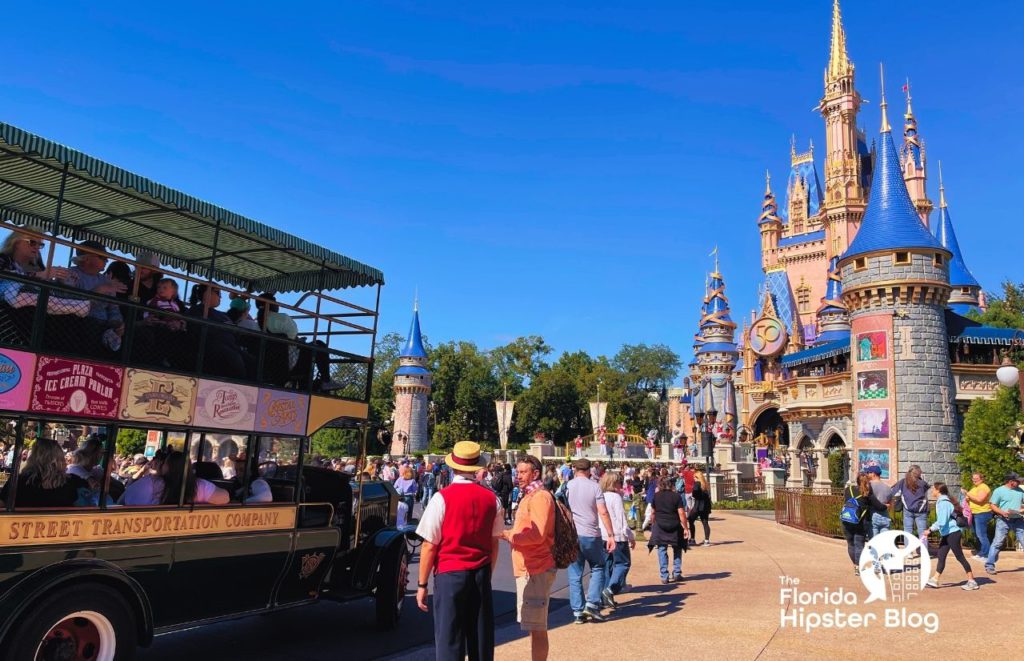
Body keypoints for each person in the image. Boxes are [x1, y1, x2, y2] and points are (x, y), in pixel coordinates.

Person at [416, 441, 504, 661]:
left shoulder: (441, 498)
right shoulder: (492, 500)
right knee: (481, 637)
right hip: (481, 570)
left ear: (453, 466)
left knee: (449, 638)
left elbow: (429, 545)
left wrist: (422, 584)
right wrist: (488, 573)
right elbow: (494, 543)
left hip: (450, 572)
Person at [502, 455, 556, 661]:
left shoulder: (540, 497)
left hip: (536, 568)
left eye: (523, 472)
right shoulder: (530, 496)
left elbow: (538, 534)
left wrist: (509, 535)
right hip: (529, 567)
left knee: (537, 627)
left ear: (535, 473)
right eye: (518, 471)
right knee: (533, 627)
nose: (518, 476)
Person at [565, 458, 616, 624]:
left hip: (572, 533)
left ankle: (577, 611)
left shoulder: (567, 486)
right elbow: (603, 511)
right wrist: (610, 534)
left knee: (574, 573)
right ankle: (592, 603)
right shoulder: (594, 487)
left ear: (575, 469)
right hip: (590, 532)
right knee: (598, 566)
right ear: (589, 470)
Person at [66, 240, 128, 353]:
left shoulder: (106, 280)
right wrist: (99, 290)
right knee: (90, 326)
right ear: (87, 258)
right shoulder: (71, 275)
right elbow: (67, 302)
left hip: (104, 324)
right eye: (102, 257)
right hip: (80, 322)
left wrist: (118, 324)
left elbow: (114, 308)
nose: (107, 260)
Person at [187, 284, 253, 379]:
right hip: (210, 347)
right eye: (218, 293)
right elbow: (198, 330)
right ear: (207, 293)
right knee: (234, 358)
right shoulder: (196, 310)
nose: (220, 297)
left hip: (231, 345)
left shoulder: (221, 314)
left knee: (251, 360)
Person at [0, 438, 88, 508]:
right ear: (59, 458)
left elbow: (2, 505)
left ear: (33, 457)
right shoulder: (71, 481)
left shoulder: (18, 481)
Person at [925, 481, 979, 591]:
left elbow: (942, 521)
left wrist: (930, 529)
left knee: (959, 557)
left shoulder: (943, 503)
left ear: (938, 490)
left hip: (952, 533)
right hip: (948, 533)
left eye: (933, 489)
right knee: (941, 555)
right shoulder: (943, 501)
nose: (932, 491)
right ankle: (935, 579)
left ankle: (972, 581)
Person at [598, 471, 634, 608]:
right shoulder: (615, 497)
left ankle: (604, 595)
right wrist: (630, 536)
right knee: (623, 563)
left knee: (607, 566)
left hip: (602, 534)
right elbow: (621, 519)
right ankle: (611, 589)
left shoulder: (600, 496)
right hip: (617, 535)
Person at [649, 476, 688, 583]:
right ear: (671, 485)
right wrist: (685, 527)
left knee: (661, 549)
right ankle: (676, 573)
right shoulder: (676, 496)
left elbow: (652, 512)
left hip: (660, 524)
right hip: (674, 524)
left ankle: (664, 575)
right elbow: (681, 513)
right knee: (677, 548)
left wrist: (653, 524)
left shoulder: (656, 496)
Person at [984, 471, 1024, 575]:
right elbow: (992, 505)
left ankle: (989, 564)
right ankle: (989, 565)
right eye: (1017, 481)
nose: (1019, 482)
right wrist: (1002, 512)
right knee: (997, 543)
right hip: (1003, 520)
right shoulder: (999, 491)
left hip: (1018, 520)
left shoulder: (1020, 491)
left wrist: (1021, 510)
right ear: (1011, 481)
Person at [159, 451, 230, 506]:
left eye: (164, 463)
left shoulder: (155, 482)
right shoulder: (199, 486)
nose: (161, 465)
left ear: (168, 467)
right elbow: (225, 498)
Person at [840, 472, 871, 576]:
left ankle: (855, 565)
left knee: (851, 544)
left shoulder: (848, 490)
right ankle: (858, 566)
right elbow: (876, 505)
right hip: (860, 522)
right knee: (859, 544)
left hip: (846, 520)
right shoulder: (867, 493)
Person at [892, 464, 929, 540]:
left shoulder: (903, 482)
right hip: (921, 509)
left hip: (907, 509)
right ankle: (923, 550)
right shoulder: (923, 483)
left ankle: (908, 550)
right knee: (922, 532)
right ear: (919, 473)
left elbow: (895, 493)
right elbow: (926, 495)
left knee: (907, 531)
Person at [962, 472, 993, 561]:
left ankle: (985, 554)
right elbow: (971, 498)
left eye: (976, 478)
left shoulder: (983, 487)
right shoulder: (975, 488)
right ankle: (981, 552)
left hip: (982, 513)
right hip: (974, 513)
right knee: (977, 534)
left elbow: (980, 499)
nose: (974, 480)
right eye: (973, 478)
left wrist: (967, 493)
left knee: (981, 534)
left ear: (982, 479)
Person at [865, 465, 891, 538]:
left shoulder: (868, 486)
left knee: (873, 544)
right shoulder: (888, 487)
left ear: (873, 474)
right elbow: (890, 504)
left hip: (873, 516)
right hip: (885, 516)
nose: (867, 474)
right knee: (884, 543)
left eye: (868, 472)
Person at [688, 476, 712, 547]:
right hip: (705, 506)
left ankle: (692, 539)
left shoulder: (697, 484)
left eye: (695, 477)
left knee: (690, 520)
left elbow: (694, 492)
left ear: (698, 478)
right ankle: (707, 540)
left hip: (698, 506)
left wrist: (694, 492)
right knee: (705, 522)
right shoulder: (705, 485)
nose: (694, 479)